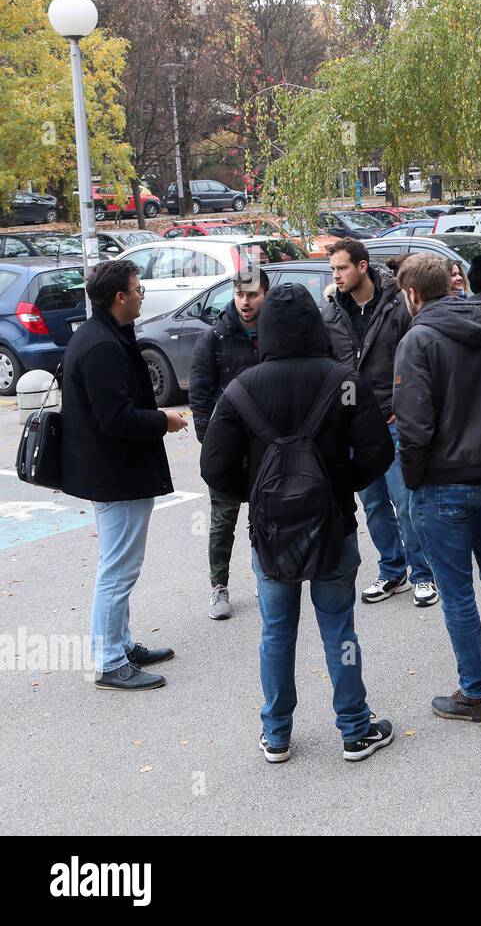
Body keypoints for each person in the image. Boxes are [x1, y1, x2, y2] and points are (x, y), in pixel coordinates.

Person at [200, 283, 397, 762]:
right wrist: (337, 485)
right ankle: (354, 729)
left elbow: (215, 468)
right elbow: (378, 452)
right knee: (339, 629)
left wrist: (260, 497)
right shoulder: (343, 380)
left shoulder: (241, 388)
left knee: (276, 631)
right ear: (314, 325)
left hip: (269, 534)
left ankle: (277, 733)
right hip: (333, 524)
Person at [393, 255, 481, 723]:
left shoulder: (418, 340)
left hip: (444, 484)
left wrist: (415, 479)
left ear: (413, 295)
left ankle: (475, 692)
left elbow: (413, 427)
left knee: (457, 591)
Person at [62, 260, 187, 691]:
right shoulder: (101, 346)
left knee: (120, 566)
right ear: (120, 297)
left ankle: (121, 643)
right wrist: (163, 421)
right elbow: (115, 419)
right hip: (116, 475)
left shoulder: (104, 335)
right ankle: (111, 661)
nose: (141, 296)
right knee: (117, 570)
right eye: (138, 289)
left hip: (117, 472)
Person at [323, 238, 436, 606]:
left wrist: (408, 409)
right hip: (354, 426)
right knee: (373, 505)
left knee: (405, 503)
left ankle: (423, 574)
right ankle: (392, 571)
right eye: (333, 270)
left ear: (362, 266)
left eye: (342, 268)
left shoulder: (398, 305)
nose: (336, 276)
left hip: (394, 420)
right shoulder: (331, 314)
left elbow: (419, 360)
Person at [189, 267, 266, 621]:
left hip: (266, 443)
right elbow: (200, 392)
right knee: (223, 518)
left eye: (252, 294)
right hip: (227, 445)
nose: (245, 302)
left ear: (264, 294)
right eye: (240, 295)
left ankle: (264, 575)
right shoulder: (215, 337)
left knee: (265, 512)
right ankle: (218, 586)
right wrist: (209, 439)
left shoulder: (274, 333)